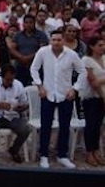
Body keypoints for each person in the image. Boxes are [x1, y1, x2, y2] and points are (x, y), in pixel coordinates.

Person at [30, 28, 86, 169]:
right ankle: (44, 155)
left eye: (59, 40)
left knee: (65, 126)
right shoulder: (43, 52)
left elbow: (82, 72)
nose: (56, 42)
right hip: (47, 94)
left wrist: (75, 89)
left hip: (65, 94)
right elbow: (34, 68)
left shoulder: (71, 54)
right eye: (53, 40)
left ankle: (62, 155)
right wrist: (39, 86)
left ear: (63, 40)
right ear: (50, 40)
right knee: (46, 126)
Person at [0, 65, 30, 165]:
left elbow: (25, 103)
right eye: (8, 80)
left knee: (25, 129)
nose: (10, 82)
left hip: (12, 116)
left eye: (12, 79)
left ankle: (14, 150)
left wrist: (20, 107)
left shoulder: (18, 85)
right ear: (2, 77)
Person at [74, 37, 105, 166]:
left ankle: (96, 150)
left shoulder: (104, 59)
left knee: (98, 126)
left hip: (102, 96)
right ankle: (89, 152)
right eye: (100, 45)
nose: (103, 47)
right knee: (91, 125)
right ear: (92, 47)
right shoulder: (86, 61)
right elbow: (94, 82)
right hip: (92, 97)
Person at [8, 14, 48, 86]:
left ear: (34, 23)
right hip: (21, 64)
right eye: (26, 22)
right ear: (23, 24)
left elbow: (42, 49)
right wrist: (21, 57)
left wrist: (29, 57)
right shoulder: (18, 35)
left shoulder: (41, 35)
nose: (28, 25)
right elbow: (12, 48)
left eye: (31, 22)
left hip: (36, 64)